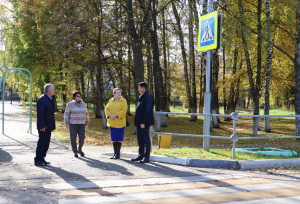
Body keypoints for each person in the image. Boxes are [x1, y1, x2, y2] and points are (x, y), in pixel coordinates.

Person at [131, 82, 154, 163]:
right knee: (140, 139)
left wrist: (143, 122)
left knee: (146, 139)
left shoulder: (147, 97)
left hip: (143, 123)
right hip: (139, 122)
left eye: (139, 88)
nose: (138, 89)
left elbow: (147, 111)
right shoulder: (142, 97)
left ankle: (146, 157)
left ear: (143, 88)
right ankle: (140, 155)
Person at [34, 84, 56, 166]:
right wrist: (42, 126)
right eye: (53, 89)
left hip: (49, 125)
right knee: (42, 142)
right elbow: (40, 114)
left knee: (46, 142)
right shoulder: (42, 99)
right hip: (44, 125)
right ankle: (37, 159)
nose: (54, 90)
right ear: (49, 90)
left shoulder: (50, 99)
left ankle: (42, 157)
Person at [64, 90, 89, 158]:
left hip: (82, 124)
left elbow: (86, 113)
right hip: (73, 124)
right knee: (73, 138)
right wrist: (67, 123)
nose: (79, 97)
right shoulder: (70, 104)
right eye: (78, 96)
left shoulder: (83, 104)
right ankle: (75, 151)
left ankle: (79, 149)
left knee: (82, 138)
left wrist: (87, 122)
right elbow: (66, 114)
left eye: (80, 96)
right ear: (74, 97)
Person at [105, 88, 128, 159]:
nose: (119, 94)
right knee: (114, 139)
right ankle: (114, 153)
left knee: (119, 138)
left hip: (120, 123)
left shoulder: (123, 101)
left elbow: (124, 110)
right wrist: (109, 115)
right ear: (114, 94)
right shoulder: (111, 101)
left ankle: (118, 154)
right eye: (117, 92)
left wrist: (116, 115)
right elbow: (106, 108)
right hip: (112, 123)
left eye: (120, 92)